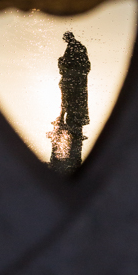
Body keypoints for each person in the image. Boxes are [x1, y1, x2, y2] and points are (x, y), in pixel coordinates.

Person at [48, 31, 90, 174]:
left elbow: (77, 66)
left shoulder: (74, 48)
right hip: (76, 87)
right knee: (70, 109)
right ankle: (73, 156)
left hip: (74, 86)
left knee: (70, 109)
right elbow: (85, 66)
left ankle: (73, 159)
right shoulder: (79, 48)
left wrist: (62, 62)